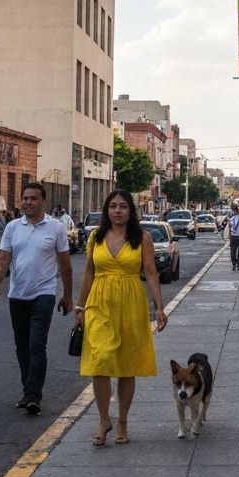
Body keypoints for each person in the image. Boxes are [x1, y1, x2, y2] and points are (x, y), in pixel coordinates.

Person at [75, 189, 166, 447]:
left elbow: (150, 272)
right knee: (100, 361)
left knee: (126, 366)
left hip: (130, 303)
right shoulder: (96, 237)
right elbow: (88, 273)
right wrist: (80, 307)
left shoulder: (142, 238)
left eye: (123, 206)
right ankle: (104, 420)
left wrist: (159, 307)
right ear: (107, 210)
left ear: (130, 211)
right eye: (113, 206)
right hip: (99, 303)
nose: (117, 210)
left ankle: (123, 421)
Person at [0, 182, 73, 415]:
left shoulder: (56, 228)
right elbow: (3, 260)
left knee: (37, 343)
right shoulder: (12, 227)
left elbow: (65, 265)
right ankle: (28, 389)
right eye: (25, 198)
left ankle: (33, 395)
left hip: (44, 293)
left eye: (33, 198)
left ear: (43, 202)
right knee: (22, 346)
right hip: (17, 294)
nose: (27, 202)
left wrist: (67, 296)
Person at [226, 204, 239, 271]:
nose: (234, 211)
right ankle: (234, 264)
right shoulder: (232, 217)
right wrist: (229, 233)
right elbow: (230, 225)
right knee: (233, 251)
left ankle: (238, 264)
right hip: (234, 236)